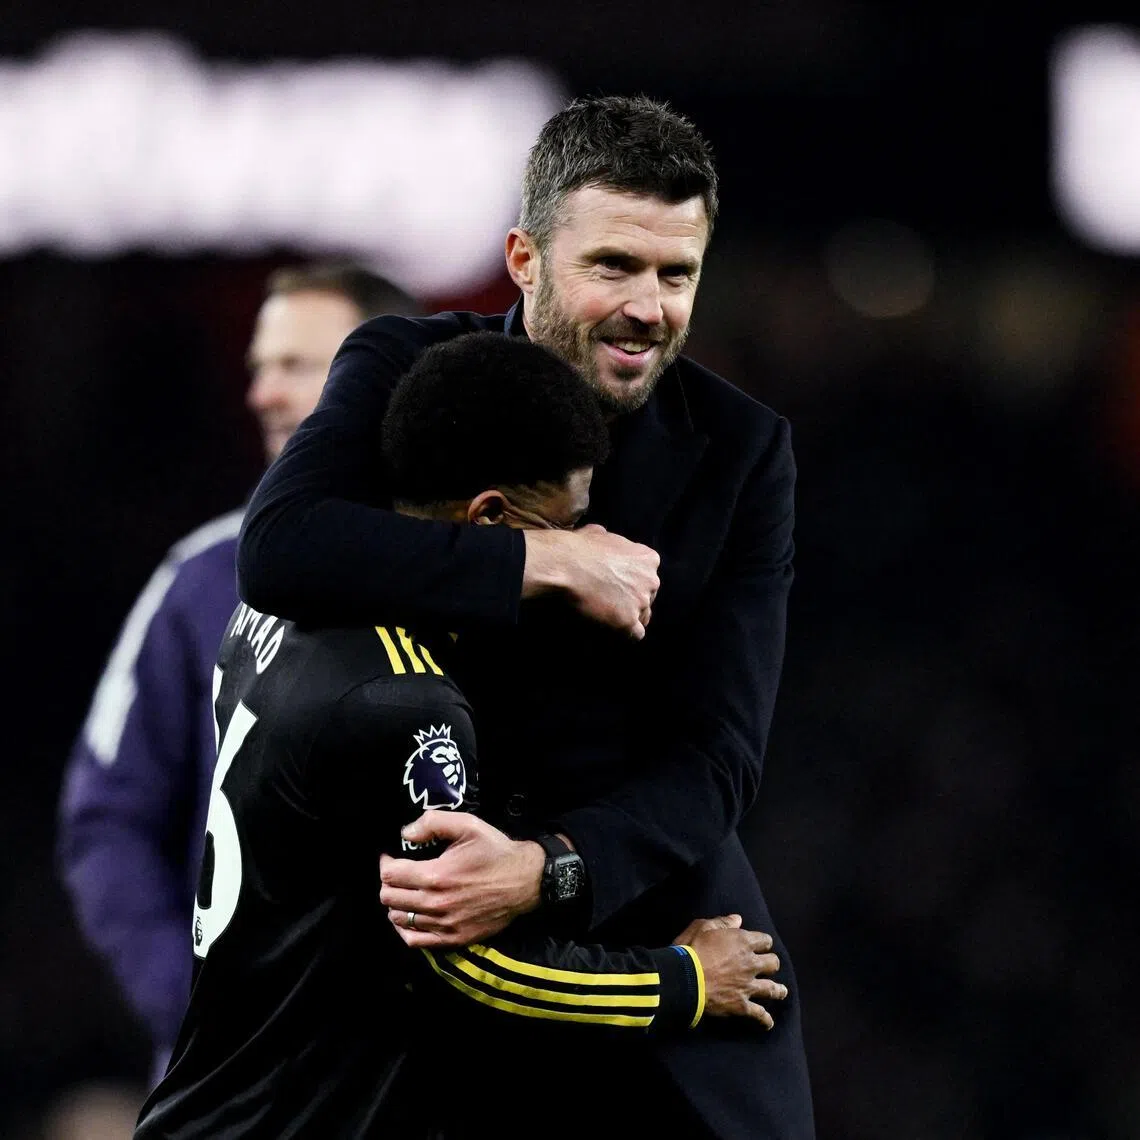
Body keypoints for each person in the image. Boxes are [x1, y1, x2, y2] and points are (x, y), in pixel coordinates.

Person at [237, 96, 815, 1138]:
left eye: (675, 275)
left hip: (637, 941)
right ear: (524, 258)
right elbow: (282, 546)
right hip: (410, 970)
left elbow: (721, 758)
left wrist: (545, 870)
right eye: (614, 266)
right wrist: (537, 559)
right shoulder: (399, 370)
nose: (649, 306)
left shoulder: (742, 452)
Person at [133, 332, 786, 1139]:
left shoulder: (272, 617)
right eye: (569, 524)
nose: (588, 544)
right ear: (492, 518)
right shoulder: (412, 707)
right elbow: (470, 964)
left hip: (206, 1097)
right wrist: (682, 981)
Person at [56, 263, 421, 1081]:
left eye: (295, 365)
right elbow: (106, 821)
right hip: (233, 1098)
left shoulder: (489, 571)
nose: (262, 393)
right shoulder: (199, 581)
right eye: (258, 367)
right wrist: (195, 1012)